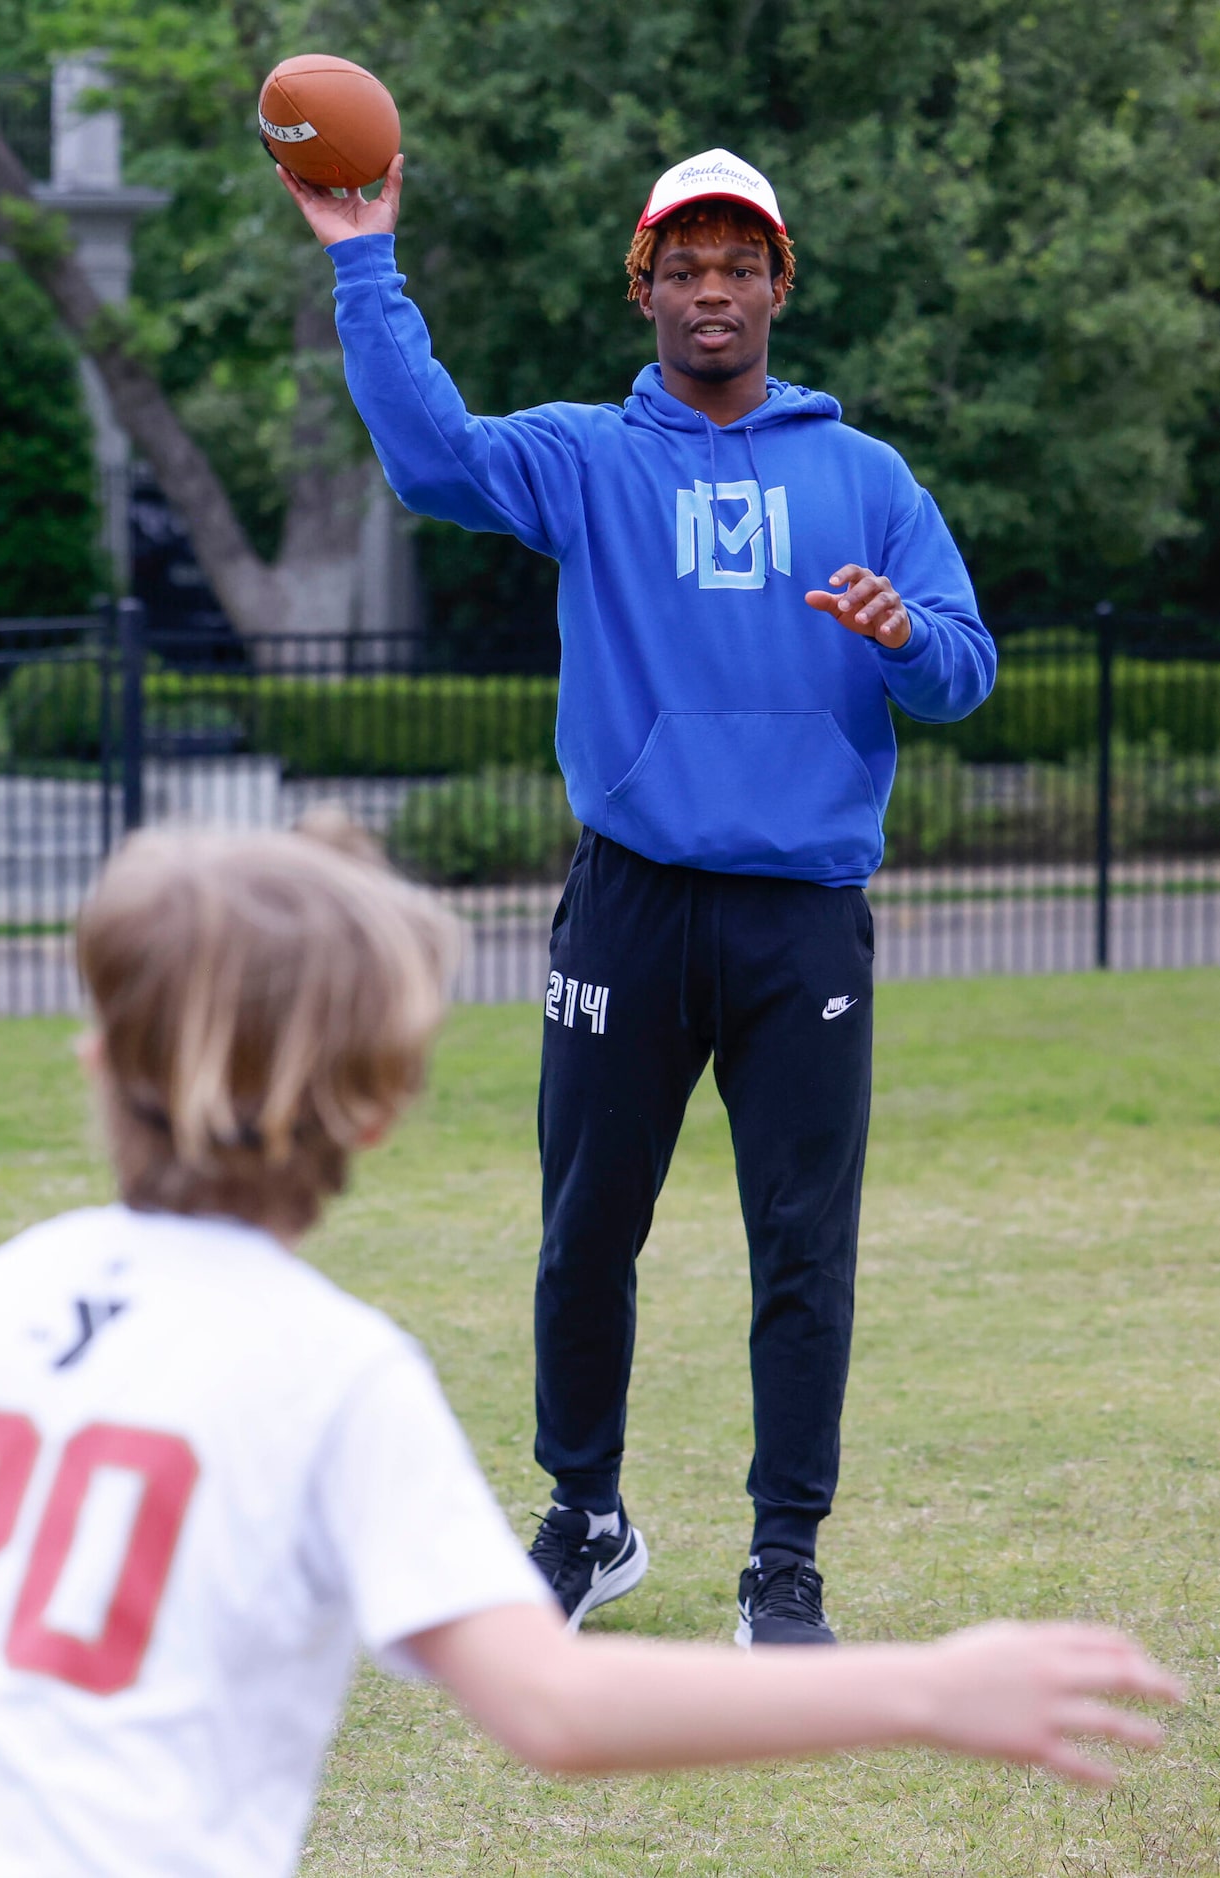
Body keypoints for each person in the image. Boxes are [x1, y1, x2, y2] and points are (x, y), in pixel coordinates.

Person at [0, 824, 1180, 1878]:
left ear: (98, 1059)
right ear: (378, 1110)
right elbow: (554, 1708)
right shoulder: (330, 1372)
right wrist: (922, 1688)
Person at [282, 148, 997, 1643]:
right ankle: (585, 1514)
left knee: (802, 1242)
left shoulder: (865, 478)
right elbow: (428, 458)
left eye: (740, 263)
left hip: (799, 916)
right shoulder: (590, 455)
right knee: (584, 1226)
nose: (714, 288)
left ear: (778, 286)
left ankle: (782, 1558)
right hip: (630, 899)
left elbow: (962, 667)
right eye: (685, 266)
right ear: (647, 289)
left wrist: (903, 635)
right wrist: (364, 259)